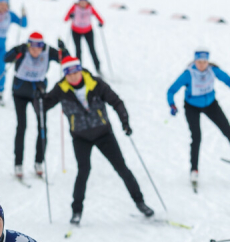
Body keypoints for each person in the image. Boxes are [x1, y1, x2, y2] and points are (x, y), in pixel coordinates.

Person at [41, 55, 152, 225]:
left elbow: (116, 101)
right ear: (65, 75)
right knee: (83, 171)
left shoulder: (96, 83)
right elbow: (42, 108)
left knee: (121, 168)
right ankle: (76, 211)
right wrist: (38, 97)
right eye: (69, 74)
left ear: (80, 70)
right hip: (80, 137)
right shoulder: (60, 89)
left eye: (75, 73)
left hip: (103, 134)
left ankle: (140, 202)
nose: (73, 77)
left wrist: (125, 121)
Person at [166, 47, 230, 188]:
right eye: (199, 62)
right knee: (197, 137)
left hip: (211, 104)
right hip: (191, 106)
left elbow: (227, 80)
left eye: (204, 62)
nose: (202, 65)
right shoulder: (188, 74)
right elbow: (171, 90)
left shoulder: (213, 70)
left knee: (227, 130)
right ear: (195, 61)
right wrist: (172, 105)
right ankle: (194, 170)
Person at [4, 31, 63, 178]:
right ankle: (18, 164)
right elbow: (6, 58)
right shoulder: (22, 49)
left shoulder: (48, 51)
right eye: (33, 48)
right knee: (22, 126)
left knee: (42, 126)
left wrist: (64, 49)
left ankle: (39, 162)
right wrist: (15, 51)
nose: (36, 51)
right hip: (19, 93)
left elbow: (65, 59)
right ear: (28, 45)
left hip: (38, 93)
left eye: (39, 48)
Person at [63, 0, 103, 73]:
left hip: (88, 31)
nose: (83, 3)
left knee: (92, 49)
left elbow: (99, 17)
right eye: (81, 1)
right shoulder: (74, 7)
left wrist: (100, 22)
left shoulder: (90, 7)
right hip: (76, 31)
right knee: (78, 51)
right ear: (79, 1)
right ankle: (78, 69)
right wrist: (70, 16)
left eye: (84, 1)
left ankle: (98, 68)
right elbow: (65, 19)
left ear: (86, 1)